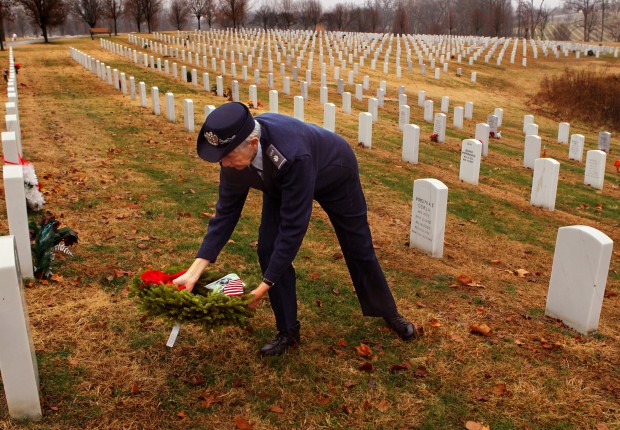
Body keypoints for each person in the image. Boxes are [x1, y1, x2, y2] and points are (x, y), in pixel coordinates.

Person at [173, 102, 418, 357]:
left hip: (334, 172)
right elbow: (225, 215)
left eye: (228, 157)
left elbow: (294, 226)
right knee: (268, 248)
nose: (224, 165)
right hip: (282, 182)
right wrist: (194, 271)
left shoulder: (291, 153)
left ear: (253, 144)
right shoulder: (233, 157)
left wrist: (263, 286)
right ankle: (288, 332)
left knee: (358, 246)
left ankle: (388, 311)